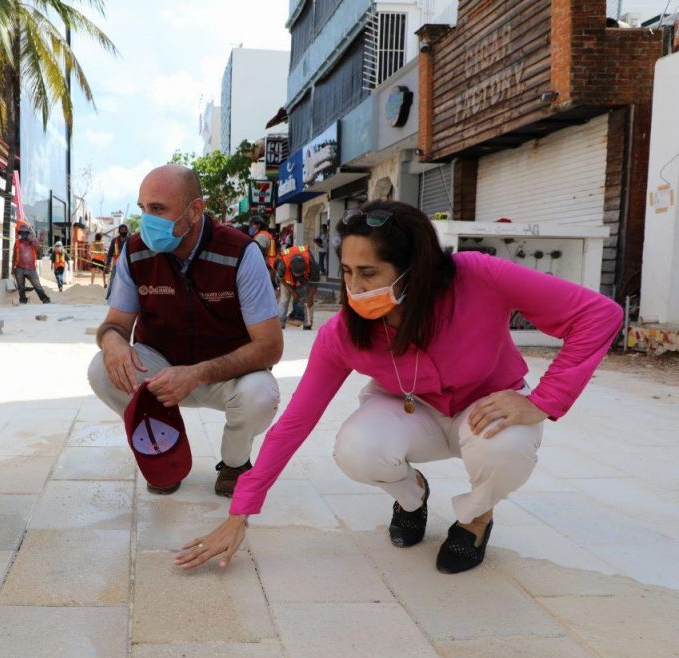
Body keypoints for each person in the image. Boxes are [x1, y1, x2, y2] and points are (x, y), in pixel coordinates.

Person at [177, 200, 622, 573]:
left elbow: (598, 315)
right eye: (347, 271)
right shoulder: (343, 333)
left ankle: (475, 519)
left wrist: (543, 400)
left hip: (484, 408)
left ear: (413, 268)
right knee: (356, 448)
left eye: (368, 273)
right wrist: (241, 512)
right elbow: (295, 423)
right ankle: (412, 499)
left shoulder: (477, 276)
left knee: (507, 448)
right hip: (412, 410)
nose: (354, 288)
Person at [87, 165, 283, 497]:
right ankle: (165, 450)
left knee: (260, 393)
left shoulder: (239, 252)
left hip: (224, 374)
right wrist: (111, 341)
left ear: (195, 210)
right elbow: (114, 325)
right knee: (101, 370)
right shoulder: (136, 251)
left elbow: (270, 347)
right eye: (143, 208)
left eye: (158, 209)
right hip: (160, 369)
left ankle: (235, 462)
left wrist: (196, 374)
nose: (147, 220)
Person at [275, 244, 320, 330]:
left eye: (299, 274)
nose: (297, 276)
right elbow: (281, 279)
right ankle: (280, 323)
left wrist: (310, 297)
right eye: (296, 274)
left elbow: (314, 283)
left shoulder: (312, 263)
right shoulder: (283, 263)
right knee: (284, 299)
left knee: (309, 299)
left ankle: (308, 323)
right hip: (286, 280)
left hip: (305, 278)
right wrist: (293, 292)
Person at [12, 224, 51, 304]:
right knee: (21, 287)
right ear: (20, 233)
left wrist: (33, 240)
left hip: (31, 268)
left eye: (25, 233)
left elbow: (39, 249)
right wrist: (13, 268)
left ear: (28, 233)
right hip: (19, 268)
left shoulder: (32, 242)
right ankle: (23, 301)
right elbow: (14, 255)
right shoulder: (17, 243)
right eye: (22, 233)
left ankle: (45, 299)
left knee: (37, 286)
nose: (24, 234)